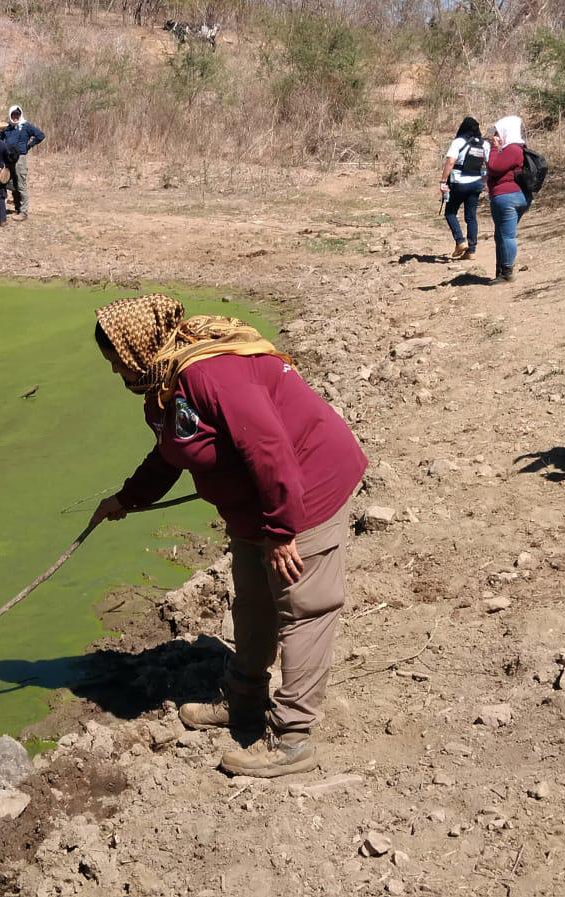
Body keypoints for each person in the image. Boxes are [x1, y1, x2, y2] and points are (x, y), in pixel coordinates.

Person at [89, 294, 367, 778]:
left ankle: (293, 741)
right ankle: (243, 701)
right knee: (253, 600)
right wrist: (127, 499)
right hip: (256, 504)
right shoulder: (166, 383)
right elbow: (169, 453)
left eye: (116, 360)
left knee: (303, 607)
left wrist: (283, 531)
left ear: (138, 346)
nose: (116, 372)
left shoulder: (206, 373)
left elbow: (269, 449)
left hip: (304, 490)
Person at [486, 115, 529, 283]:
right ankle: (501, 269)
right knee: (501, 234)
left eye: (498, 132)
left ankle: (507, 272)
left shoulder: (512, 149)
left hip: (507, 197)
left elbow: (494, 167)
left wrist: (495, 148)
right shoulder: (519, 148)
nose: (495, 135)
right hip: (515, 196)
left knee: (507, 235)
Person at [438, 116, 487, 260]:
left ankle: (460, 241)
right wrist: (484, 182)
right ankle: (471, 250)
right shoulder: (484, 144)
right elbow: (489, 164)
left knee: (450, 212)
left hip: (459, 183)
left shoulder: (458, 142)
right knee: (471, 216)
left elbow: (450, 162)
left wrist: (443, 181)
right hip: (476, 183)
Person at [2, 105, 45, 221]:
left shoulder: (26, 126)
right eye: (13, 114)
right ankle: (17, 208)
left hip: (20, 159)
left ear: (20, 115)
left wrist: (28, 145)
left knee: (21, 184)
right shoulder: (7, 128)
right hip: (9, 159)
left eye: (17, 114)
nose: (15, 117)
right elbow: (0, 140)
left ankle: (23, 212)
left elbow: (40, 135)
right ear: (10, 115)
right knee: (10, 183)